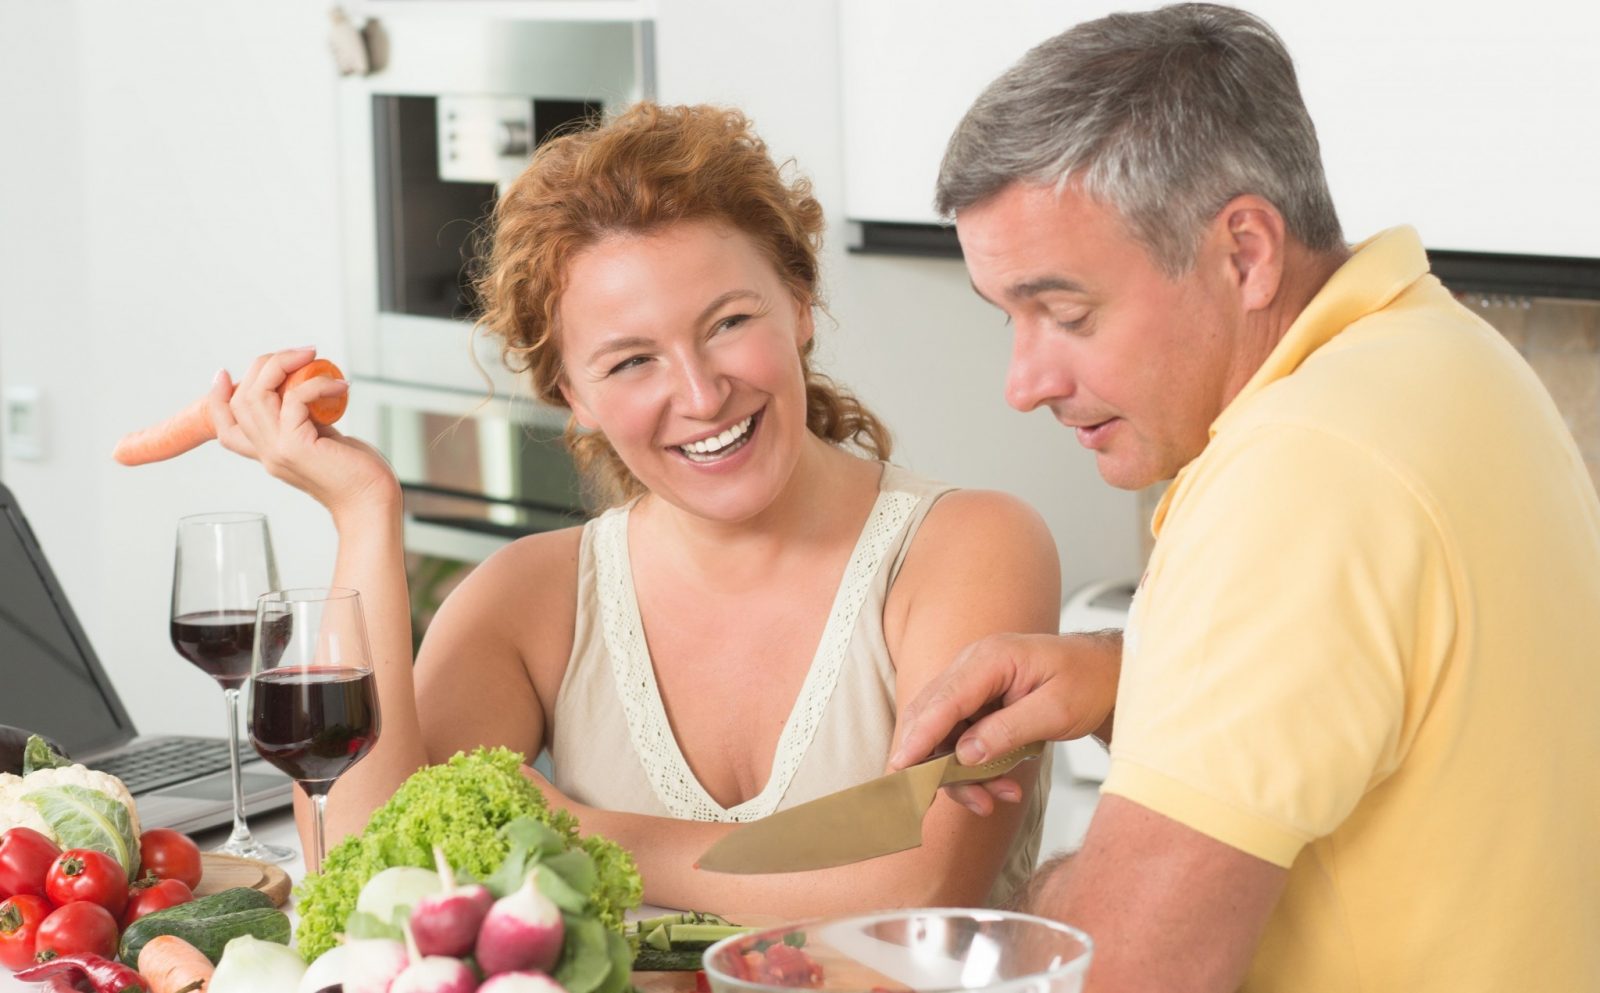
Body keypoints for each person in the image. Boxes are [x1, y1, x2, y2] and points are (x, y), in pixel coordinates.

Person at [135, 103, 1060, 917]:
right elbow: (362, 856)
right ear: (569, 394)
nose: (701, 393)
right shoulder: (537, 596)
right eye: (630, 362)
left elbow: (926, 882)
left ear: (801, 304)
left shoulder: (966, 546)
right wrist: (366, 515)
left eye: (730, 321)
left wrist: (573, 830)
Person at [887, 5, 1600, 991]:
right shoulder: (1453, 362)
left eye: (1064, 312)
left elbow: (1116, 974)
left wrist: (1041, 896)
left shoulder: (1296, 472)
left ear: (1245, 253)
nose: (1023, 382)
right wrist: (1135, 675)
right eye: (1009, 317)